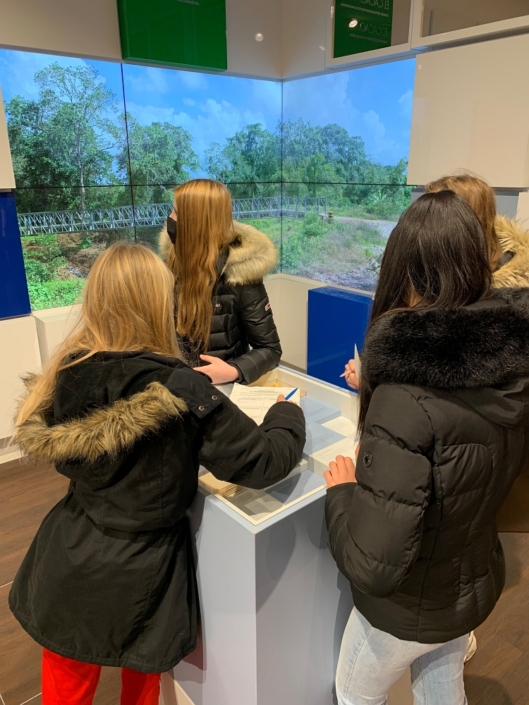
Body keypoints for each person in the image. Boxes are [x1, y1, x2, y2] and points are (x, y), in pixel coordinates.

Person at [9, 242, 305, 705]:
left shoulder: (67, 371)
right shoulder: (180, 385)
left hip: (69, 554)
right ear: (158, 301)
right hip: (147, 569)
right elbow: (263, 462)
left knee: (66, 678)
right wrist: (287, 413)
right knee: (142, 679)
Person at [325, 191, 529, 705]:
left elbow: (373, 563)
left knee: (353, 695)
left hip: (407, 609)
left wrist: (342, 494)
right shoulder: (511, 369)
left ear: (403, 271)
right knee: (441, 690)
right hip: (468, 585)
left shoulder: (405, 398)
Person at [159, 178, 282, 385]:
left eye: (177, 213)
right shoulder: (168, 266)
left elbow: (270, 350)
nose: (169, 219)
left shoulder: (240, 276)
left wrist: (234, 370)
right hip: (175, 386)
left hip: (220, 392)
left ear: (195, 224)